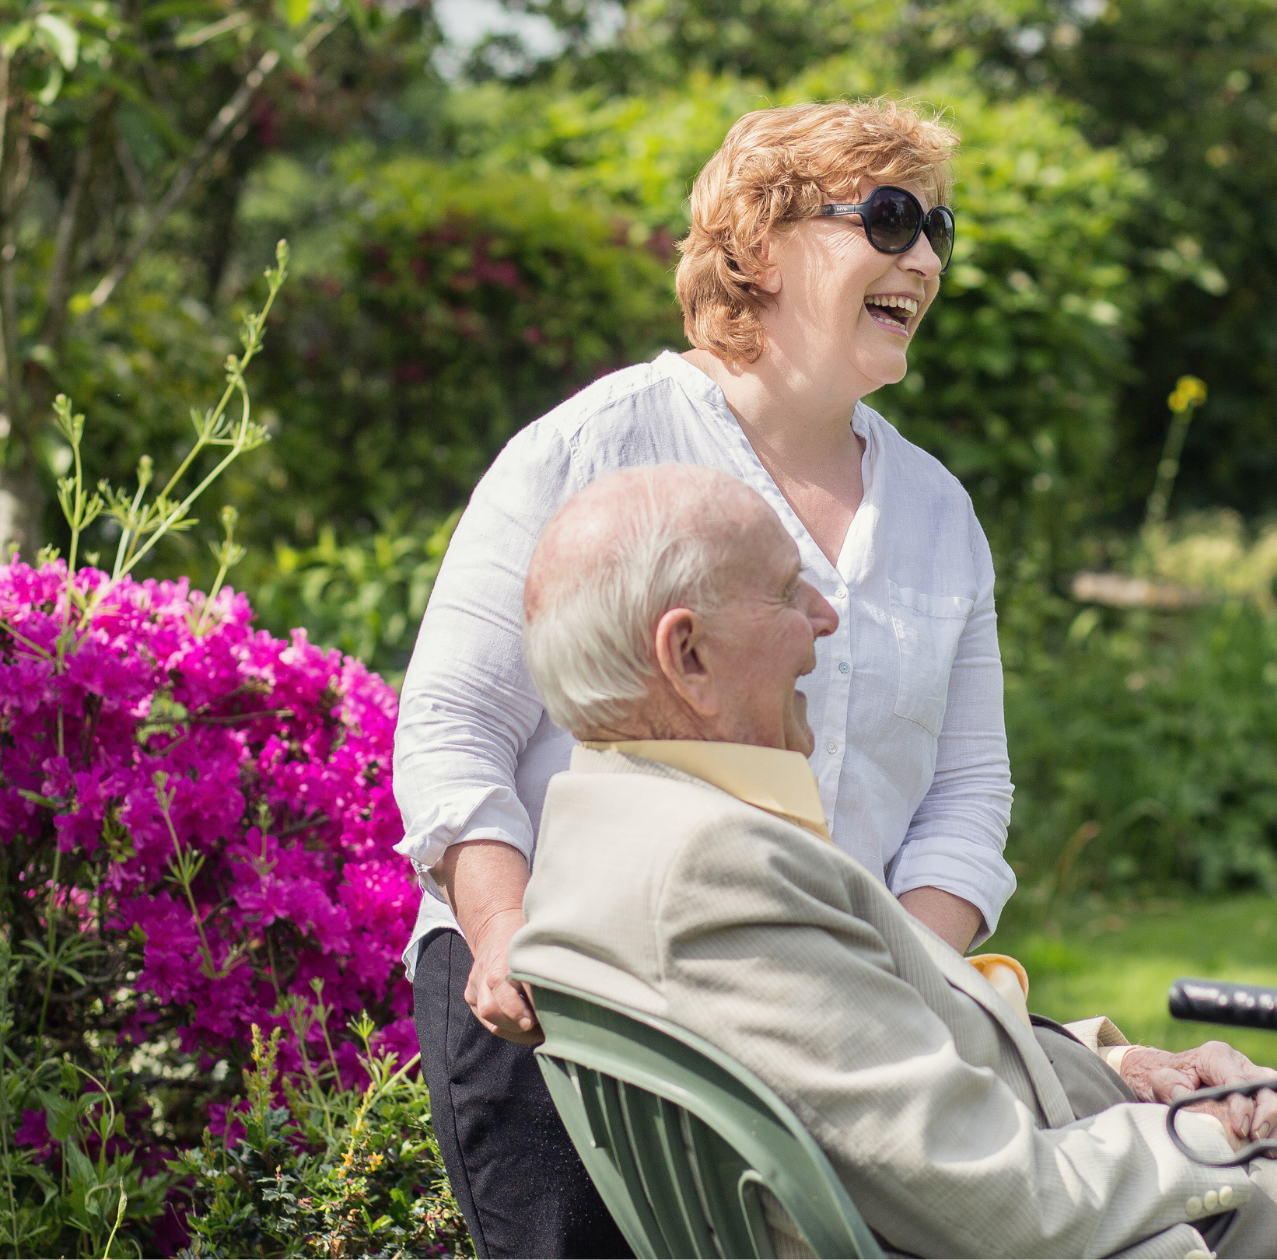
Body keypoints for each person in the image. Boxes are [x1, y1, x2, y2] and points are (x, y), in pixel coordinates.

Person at [507, 464, 1277, 1259]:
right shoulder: (712, 869)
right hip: (1093, 1238)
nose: (823, 618)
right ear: (688, 653)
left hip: (1063, 1187)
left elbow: (889, 1054)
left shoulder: (620, 825)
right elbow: (989, 1191)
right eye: (785, 590)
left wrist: (1121, 1067)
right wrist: (1213, 1131)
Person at [393, 99, 1012, 1257]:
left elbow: (967, 797)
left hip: (827, 1023)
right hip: (569, 1012)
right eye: (885, 219)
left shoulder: (937, 513)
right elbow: (451, 724)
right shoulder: (590, 448)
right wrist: (504, 931)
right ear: (759, 248)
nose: (921, 256)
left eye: (934, 225)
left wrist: (902, 983)